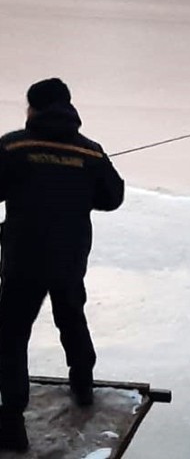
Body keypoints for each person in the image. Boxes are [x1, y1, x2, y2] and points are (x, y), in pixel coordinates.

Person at [0, 78, 125, 452]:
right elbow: (113, 197)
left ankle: (11, 421)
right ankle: (83, 384)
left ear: (34, 109)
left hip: (24, 257)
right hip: (70, 255)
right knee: (71, 315)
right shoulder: (90, 153)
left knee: (11, 334)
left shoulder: (13, 146)